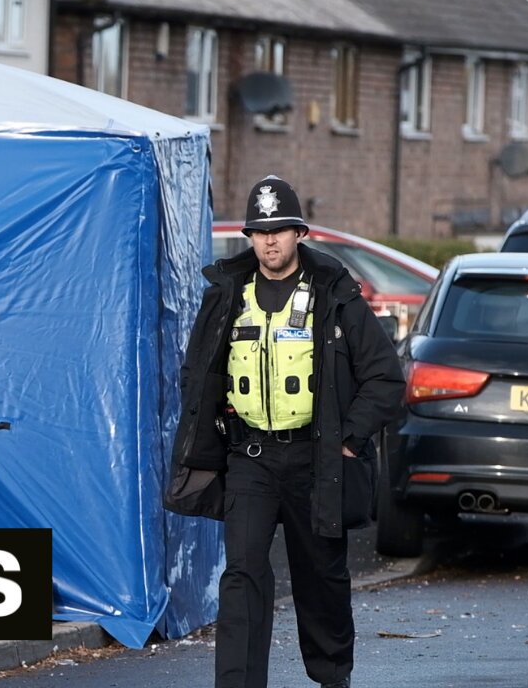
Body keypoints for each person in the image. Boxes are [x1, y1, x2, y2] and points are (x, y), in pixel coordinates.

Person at [165, 176, 405, 688]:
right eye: (259, 231)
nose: (269, 241)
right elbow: (196, 370)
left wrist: (348, 440)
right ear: (249, 237)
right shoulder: (228, 294)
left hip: (316, 461)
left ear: (300, 233)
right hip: (250, 458)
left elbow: (385, 380)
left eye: (279, 230)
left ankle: (332, 678)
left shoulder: (334, 296)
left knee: (321, 580)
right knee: (242, 577)